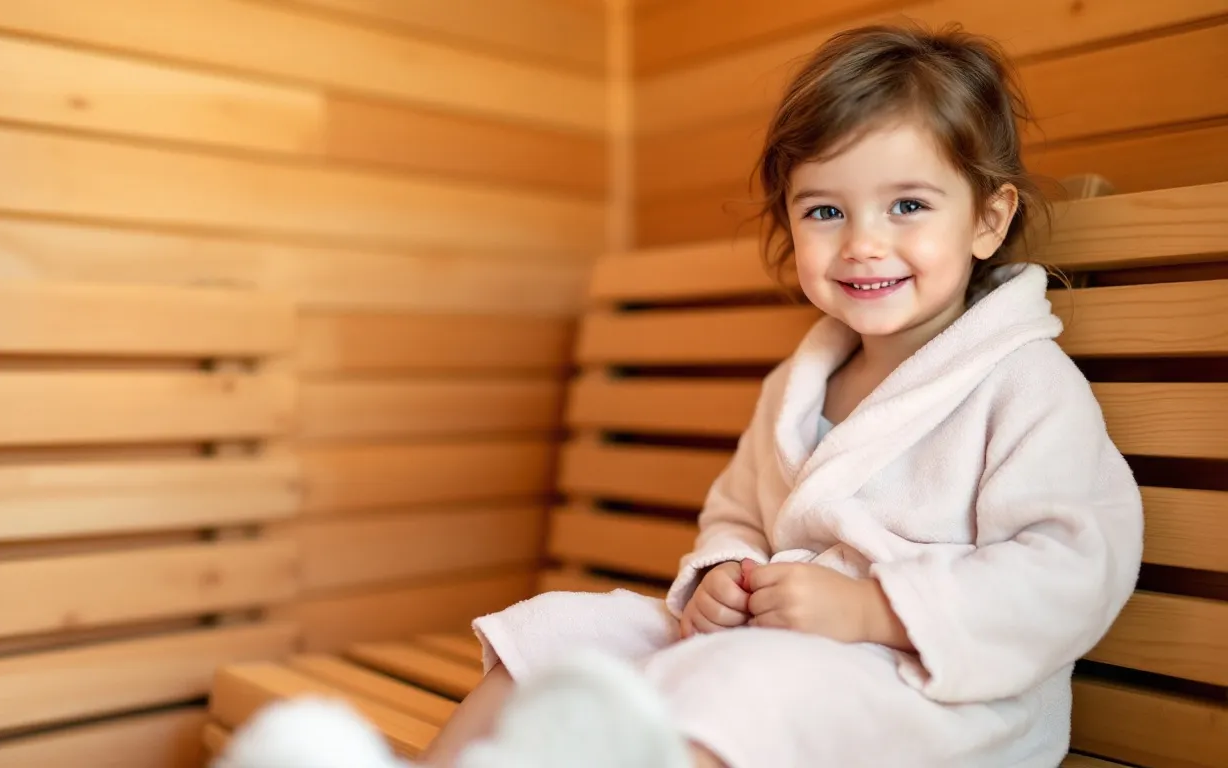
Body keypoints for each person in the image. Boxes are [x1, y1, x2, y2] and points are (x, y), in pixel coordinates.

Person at [216, 22, 1144, 768]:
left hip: (936, 691)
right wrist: (717, 583)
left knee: (742, 691)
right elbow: (738, 513)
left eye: (908, 205)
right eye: (826, 209)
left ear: (988, 218)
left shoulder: (1022, 384)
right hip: (788, 644)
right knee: (563, 633)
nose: (863, 242)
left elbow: (1072, 566)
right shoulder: (803, 382)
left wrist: (875, 611)